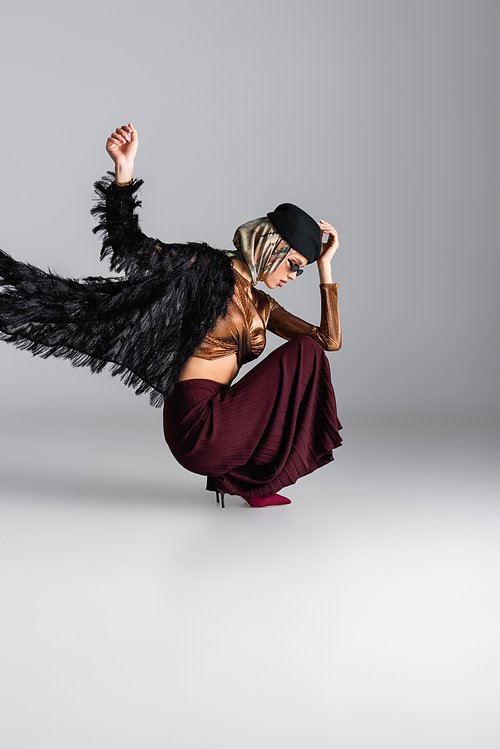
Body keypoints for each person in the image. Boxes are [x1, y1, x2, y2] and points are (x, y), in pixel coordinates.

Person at [0, 123, 342, 508]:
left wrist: (325, 268)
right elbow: (131, 248)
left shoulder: (264, 306)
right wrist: (123, 172)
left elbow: (328, 342)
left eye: (301, 271)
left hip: (225, 415)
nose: (292, 276)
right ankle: (248, 479)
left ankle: (248, 483)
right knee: (304, 354)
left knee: (309, 351)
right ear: (270, 245)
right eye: (294, 265)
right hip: (196, 420)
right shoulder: (204, 267)